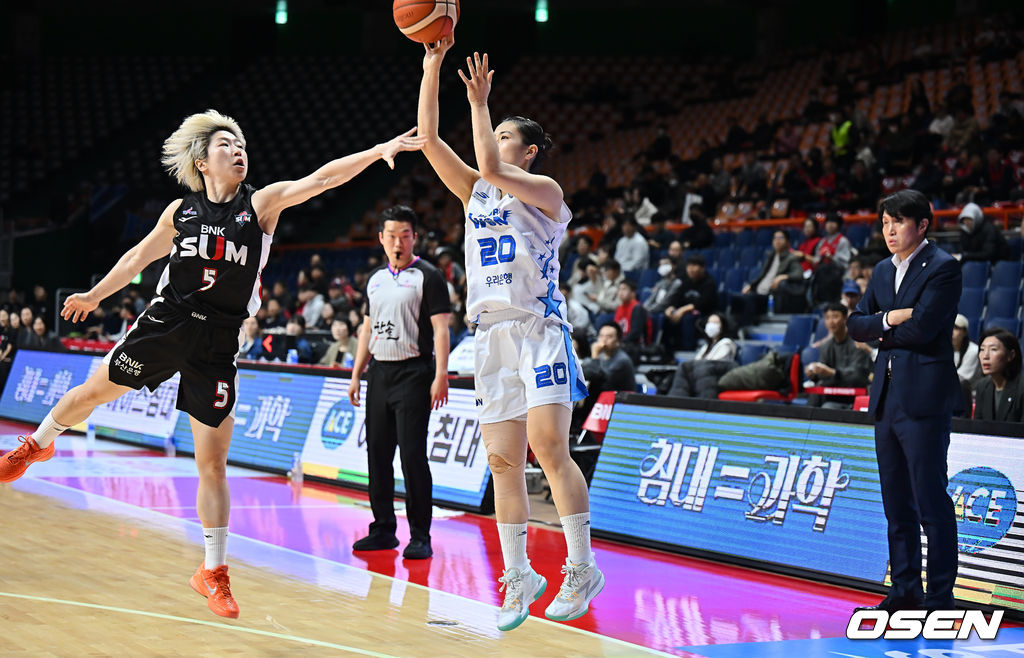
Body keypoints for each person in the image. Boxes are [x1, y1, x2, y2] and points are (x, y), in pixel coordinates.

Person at [0, 109, 425, 619]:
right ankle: (36, 445)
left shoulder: (260, 206)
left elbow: (321, 179)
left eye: (241, 145)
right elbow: (137, 258)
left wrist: (378, 151)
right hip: (167, 323)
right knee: (91, 393)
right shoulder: (180, 212)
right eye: (226, 144)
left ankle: (213, 571)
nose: (238, 151)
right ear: (203, 162)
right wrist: (95, 295)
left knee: (212, 463)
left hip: (218, 341)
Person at [417, 37, 602, 631]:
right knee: (501, 459)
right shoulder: (476, 191)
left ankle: (582, 565)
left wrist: (479, 103)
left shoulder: (547, 193)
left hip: (538, 329)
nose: (494, 143)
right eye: (492, 133)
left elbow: (492, 167)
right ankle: (519, 574)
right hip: (490, 334)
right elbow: (428, 139)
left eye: (504, 135)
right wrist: (431, 66)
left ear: (530, 150)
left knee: (548, 446)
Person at [847, 189, 964, 614]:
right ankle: (905, 590)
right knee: (896, 504)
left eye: (898, 221)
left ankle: (940, 597)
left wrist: (879, 329)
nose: (890, 230)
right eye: (884, 223)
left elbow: (925, 329)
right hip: (886, 400)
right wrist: (890, 318)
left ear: (923, 225)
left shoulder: (944, 267)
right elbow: (855, 324)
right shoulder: (882, 270)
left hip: (924, 400)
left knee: (931, 502)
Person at [346, 205, 451, 560]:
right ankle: (383, 529)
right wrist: (356, 373)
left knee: (412, 456)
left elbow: (441, 329)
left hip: (414, 373)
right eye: (391, 236)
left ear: (414, 238)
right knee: (377, 454)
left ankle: (420, 535)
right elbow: (366, 329)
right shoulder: (374, 279)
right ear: (381, 238)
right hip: (379, 373)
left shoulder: (429, 276)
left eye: (405, 236)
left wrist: (441, 375)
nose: (398, 243)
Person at [805, 303, 873, 409]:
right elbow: (823, 373)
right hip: (832, 392)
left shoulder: (858, 343)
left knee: (828, 407)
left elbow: (858, 376)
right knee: (814, 397)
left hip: (853, 395)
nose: (831, 322)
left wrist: (833, 373)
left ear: (845, 319)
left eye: (835, 317)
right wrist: (814, 374)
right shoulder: (825, 346)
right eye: (827, 318)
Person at [732, 230, 804, 326]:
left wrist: (782, 277)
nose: (777, 240)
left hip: (769, 295)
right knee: (736, 298)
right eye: (775, 238)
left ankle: (746, 328)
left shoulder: (791, 258)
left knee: (749, 299)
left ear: (787, 242)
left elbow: (799, 274)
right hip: (758, 292)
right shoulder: (770, 256)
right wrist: (751, 285)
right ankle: (734, 328)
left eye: (780, 238)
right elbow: (762, 276)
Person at [667, 313, 739, 399]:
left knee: (704, 368)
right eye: (709, 322)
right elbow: (697, 360)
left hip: (718, 374)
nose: (711, 325)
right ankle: (677, 399)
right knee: (684, 367)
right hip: (703, 372)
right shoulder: (706, 346)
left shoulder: (727, 343)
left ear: (723, 326)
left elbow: (716, 361)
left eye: (715, 323)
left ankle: (705, 400)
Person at [972, 328, 1023, 422]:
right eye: (982, 349)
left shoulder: (1021, 387)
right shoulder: (982, 386)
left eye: (993, 349)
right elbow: (977, 426)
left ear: (1011, 355)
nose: (985, 356)